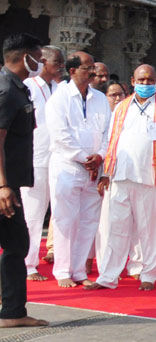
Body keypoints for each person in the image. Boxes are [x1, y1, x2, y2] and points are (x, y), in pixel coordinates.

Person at [89, 64, 156, 291]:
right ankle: (108, 277)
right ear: (132, 81)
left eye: (149, 81)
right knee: (116, 227)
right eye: (141, 80)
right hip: (120, 175)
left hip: (150, 177)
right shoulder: (121, 107)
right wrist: (105, 174)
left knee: (148, 229)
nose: (145, 84)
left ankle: (148, 275)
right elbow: (111, 141)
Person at [45, 51, 110, 288]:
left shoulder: (100, 99)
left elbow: (108, 132)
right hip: (67, 166)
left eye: (94, 67)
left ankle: (79, 269)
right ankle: (62, 270)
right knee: (65, 219)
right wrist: (85, 159)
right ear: (72, 71)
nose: (93, 72)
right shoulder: (59, 98)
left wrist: (100, 156)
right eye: (88, 68)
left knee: (88, 221)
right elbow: (60, 136)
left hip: (94, 168)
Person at [0, 34, 48, 328]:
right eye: (38, 58)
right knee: (17, 244)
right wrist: (2, 185)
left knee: (17, 243)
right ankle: (13, 311)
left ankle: (14, 310)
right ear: (23, 57)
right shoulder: (7, 89)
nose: (40, 63)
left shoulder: (17, 88)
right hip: (5, 186)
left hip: (10, 183)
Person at [21, 44, 63, 284]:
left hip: (58, 157)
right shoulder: (28, 87)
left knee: (58, 212)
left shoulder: (60, 89)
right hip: (35, 157)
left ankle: (62, 260)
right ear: (43, 62)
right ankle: (28, 264)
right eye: (56, 62)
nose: (60, 67)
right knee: (33, 214)